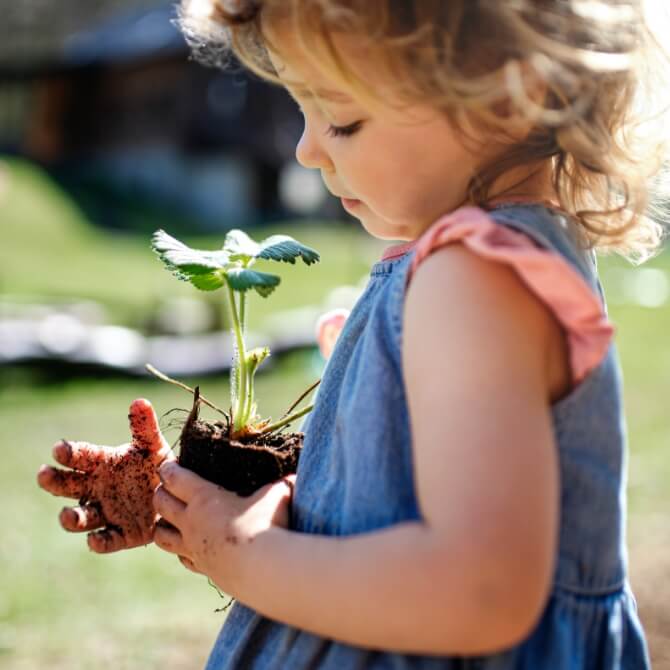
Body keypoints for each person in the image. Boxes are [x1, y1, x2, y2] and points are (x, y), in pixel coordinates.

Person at [37, 1, 670, 667]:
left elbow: (480, 591)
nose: (306, 149)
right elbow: (385, 499)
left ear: (509, 93)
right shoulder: (476, 265)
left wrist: (248, 557)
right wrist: (206, 504)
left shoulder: (476, 279)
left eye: (342, 118)